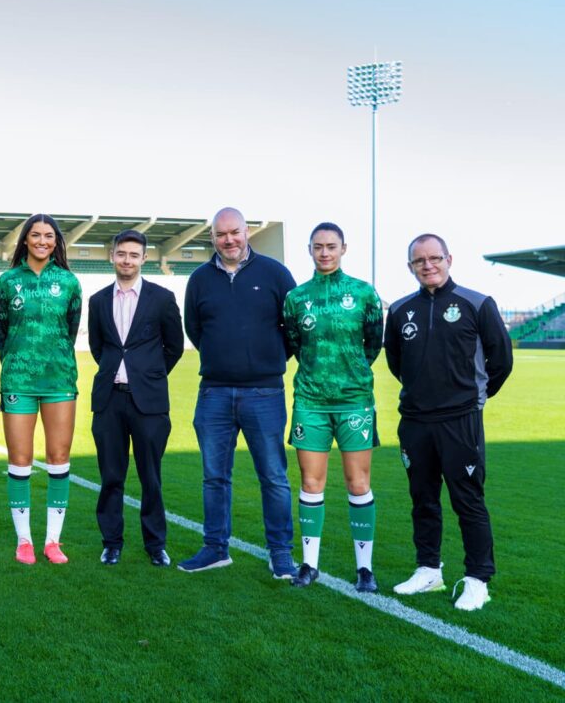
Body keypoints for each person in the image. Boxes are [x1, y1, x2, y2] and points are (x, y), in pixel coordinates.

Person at [384, 233, 513, 611]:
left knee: (468, 500)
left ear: (449, 259)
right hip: (416, 422)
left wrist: (475, 396)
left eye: (434, 258)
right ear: (411, 267)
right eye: (419, 261)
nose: (428, 265)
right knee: (422, 499)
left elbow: (501, 360)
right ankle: (428, 570)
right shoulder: (401, 310)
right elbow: (396, 362)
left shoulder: (477, 303)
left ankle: (478, 580)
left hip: (461, 421)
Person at [180, 207, 298, 578]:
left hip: (264, 393)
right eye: (220, 234)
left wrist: (264, 360)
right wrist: (224, 360)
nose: (228, 240)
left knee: (273, 476)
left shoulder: (275, 274)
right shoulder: (199, 279)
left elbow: (292, 329)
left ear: (247, 232)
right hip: (214, 392)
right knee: (215, 476)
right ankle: (215, 548)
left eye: (234, 232)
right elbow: (194, 329)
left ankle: (280, 553)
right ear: (211, 237)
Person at [282, 223, 384, 592]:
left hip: (355, 400)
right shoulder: (296, 297)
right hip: (310, 400)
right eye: (318, 247)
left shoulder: (363, 293)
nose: (325, 253)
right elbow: (293, 342)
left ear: (344, 249)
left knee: (358, 483)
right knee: (311, 482)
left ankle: (365, 570)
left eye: (331, 246)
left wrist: (349, 373)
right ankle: (309, 565)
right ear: (309, 249)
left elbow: (373, 343)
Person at [88, 229, 184, 567]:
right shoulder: (98, 300)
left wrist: (149, 375)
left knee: (150, 476)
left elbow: (174, 347)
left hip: (149, 403)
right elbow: (100, 348)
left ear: (143, 259)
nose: (127, 260)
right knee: (111, 476)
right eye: (121, 254)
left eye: (134, 255)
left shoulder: (162, 298)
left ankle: (155, 544)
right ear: (112, 256)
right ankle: (111, 542)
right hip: (109, 401)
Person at [0, 214, 82, 564]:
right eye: (35, 235)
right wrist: (17, 359)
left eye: (49, 236)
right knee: (20, 460)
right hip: (18, 381)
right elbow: (0, 331)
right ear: (25, 240)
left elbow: (69, 330)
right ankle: (24, 540)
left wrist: (51, 357)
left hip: (59, 380)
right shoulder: (8, 281)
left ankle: (53, 541)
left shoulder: (69, 282)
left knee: (58, 459)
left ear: (56, 241)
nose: (42, 241)